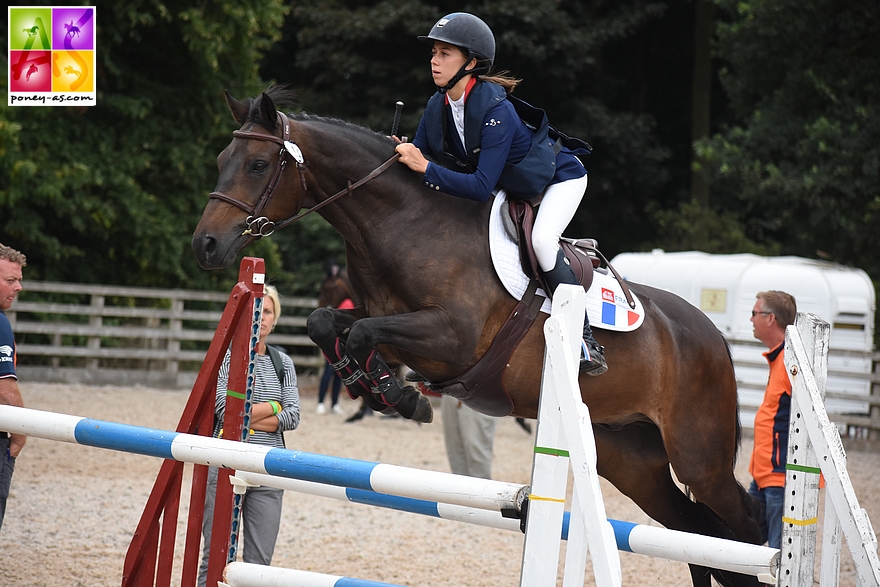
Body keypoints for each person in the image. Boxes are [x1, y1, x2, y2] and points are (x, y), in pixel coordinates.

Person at [394, 12, 606, 376]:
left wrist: (424, 167)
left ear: (471, 63)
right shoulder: (437, 106)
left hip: (561, 178)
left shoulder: (497, 111)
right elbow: (420, 154)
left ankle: (585, 338)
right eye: (434, 52)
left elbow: (477, 186)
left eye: (445, 53)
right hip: (510, 185)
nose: (434, 60)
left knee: (541, 241)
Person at [198, 285, 300, 586]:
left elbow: (292, 416)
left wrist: (246, 418)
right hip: (227, 464)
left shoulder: (284, 363)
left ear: (274, 317)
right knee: (214, 558)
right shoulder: (227, 358)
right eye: (257, 311)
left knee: (261, 565)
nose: (262, 317)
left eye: (267, 311)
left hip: (269, 468)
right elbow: (223, 409)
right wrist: (272, 406)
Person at [748, 290, 797, 549]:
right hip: (764, 472)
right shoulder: (780, 357)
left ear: (770, 319)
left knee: (779, 552)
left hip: (779, 475)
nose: (751, 319)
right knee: (746, 541)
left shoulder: (792, 361)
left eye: (755, 313)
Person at [0, 244, 27, 534]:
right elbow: (5, 390)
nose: (18, 287)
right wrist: (20, 432)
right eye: (10, 280)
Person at [316, 261, 355, 415]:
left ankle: (334, 403)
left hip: (344, 341)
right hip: (334, 340)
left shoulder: (347, 302)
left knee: (340, 373)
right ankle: (320, 401)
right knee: (328, 371)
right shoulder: (337, 302)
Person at [441, 395, 497, 479]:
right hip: (449, 390)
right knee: (454, 450)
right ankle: (459, 489)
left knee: (476, 449)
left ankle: (480, 489)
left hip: (478, 393)